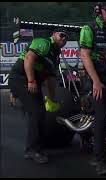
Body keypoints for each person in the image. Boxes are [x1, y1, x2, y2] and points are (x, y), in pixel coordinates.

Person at [8, 28, 68, 164]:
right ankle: (32, 150)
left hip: (31, 81)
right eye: (62, 35)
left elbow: (51, 80)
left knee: (40, 113)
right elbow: (29, 58)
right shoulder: (44, 43)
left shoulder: (56, 55)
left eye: (66, 38)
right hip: (21, 78)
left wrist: (52, 98)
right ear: (54, 34)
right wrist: (31, 80)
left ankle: (37, 147)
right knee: (36, 112)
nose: (64, 39)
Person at [79, 2, 106, 176]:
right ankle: (98, 159)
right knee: (101, 118)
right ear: (99, 11)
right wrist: (96, 81)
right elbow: (84, 55)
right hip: (95, 79)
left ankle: (96, 149)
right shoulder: (89, 29)